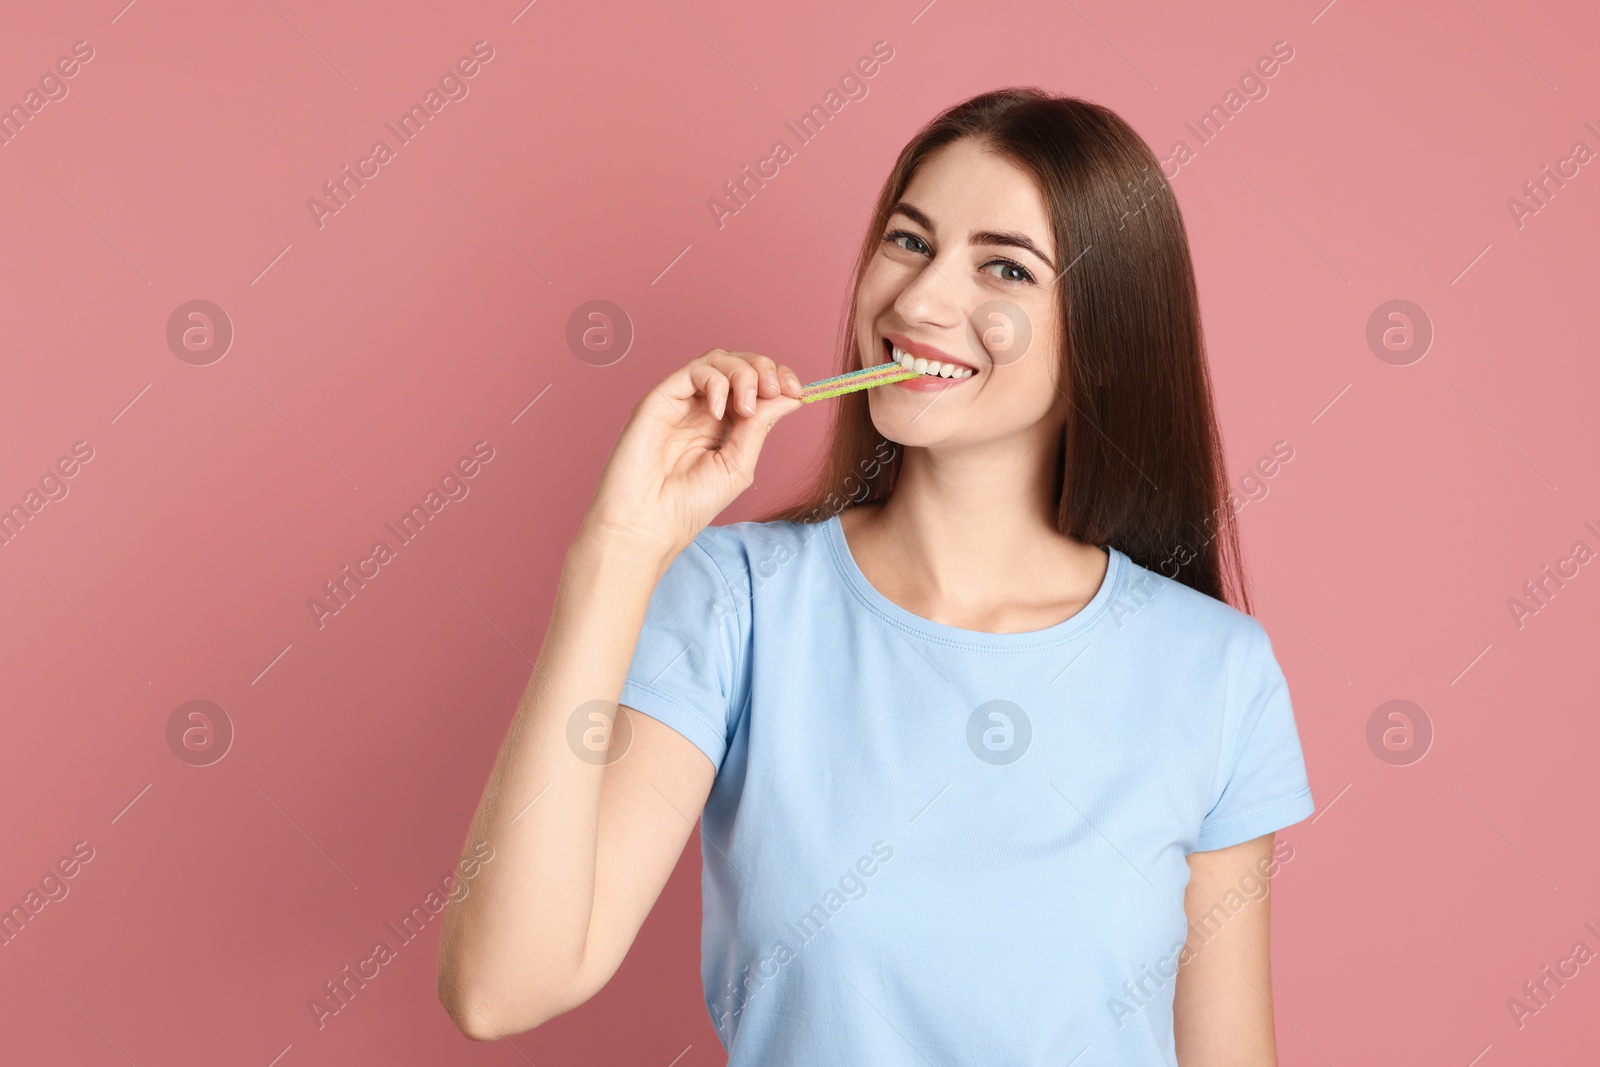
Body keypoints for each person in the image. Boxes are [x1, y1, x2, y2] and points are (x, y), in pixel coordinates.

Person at [437, 86, 1314, 1065]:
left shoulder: (1215, 670)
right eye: (908, 241)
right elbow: (499, 984)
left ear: (1103, 343)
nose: (920, 302)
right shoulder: (739, 602)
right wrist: (620, 547)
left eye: (1004, 268)